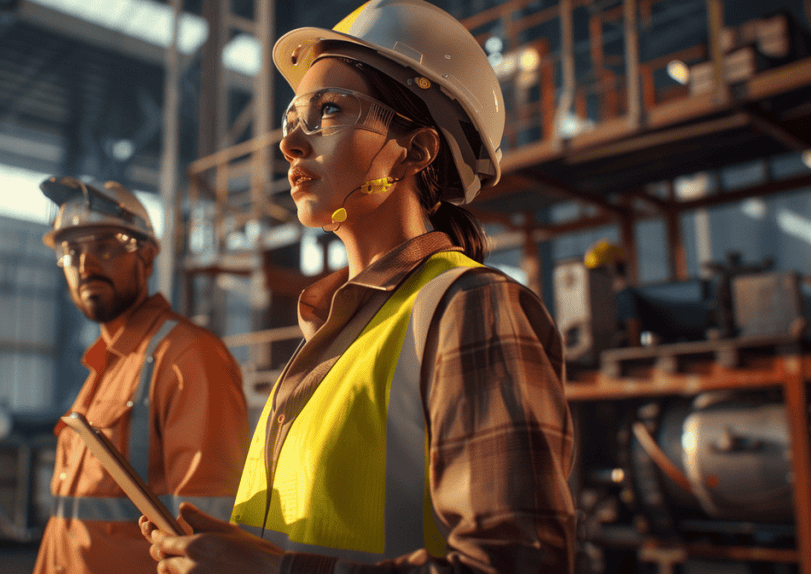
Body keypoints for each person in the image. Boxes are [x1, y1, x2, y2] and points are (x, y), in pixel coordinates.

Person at [141, 0, 576, 572]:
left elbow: (520, 564)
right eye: (292, 119)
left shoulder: (468, 307)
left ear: (417, 151)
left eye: (329, 111)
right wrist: (243, 551)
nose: (291, 145)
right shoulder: (329, 332)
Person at [33, 176, 250, 574]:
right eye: (72, 251)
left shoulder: (187, 356)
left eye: (104, 247)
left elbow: (210, 533)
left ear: (147, 258)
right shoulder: (105, 365)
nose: (85, 265)